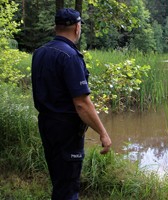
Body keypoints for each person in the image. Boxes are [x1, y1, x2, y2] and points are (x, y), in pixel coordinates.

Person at [31, 8, 112, 200]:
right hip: (66, 131)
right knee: (68, 188)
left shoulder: (40, 53)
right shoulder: (70, 56)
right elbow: (82, 104)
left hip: (46, 125)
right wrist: (103, 133)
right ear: (77, 28)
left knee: (59, 180)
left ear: (55, 27)